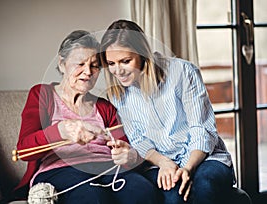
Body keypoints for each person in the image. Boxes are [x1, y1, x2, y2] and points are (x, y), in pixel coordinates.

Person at [13, 30, 159, 203]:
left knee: (144, 192)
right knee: (93, 198)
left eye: (95, 65)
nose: (88, 72)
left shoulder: (105, 106)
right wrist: (61, 131)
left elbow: (124, 146)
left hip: (108, 169)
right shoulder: (42, 94)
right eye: (80, 64)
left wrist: (127, 155)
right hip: (60, 169)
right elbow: (23, 151)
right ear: (62, 64)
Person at [100, 19, 235, 204]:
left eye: (125, 61)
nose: (118, 71)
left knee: (204, 185)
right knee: (173, 195)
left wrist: (187, 168)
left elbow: (202, 128)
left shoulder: (182, 72)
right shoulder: (117, 95)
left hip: (204, 157)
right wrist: (164, 163)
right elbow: (138, 140)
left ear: (142, 54)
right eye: (111, 63)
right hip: (160, 163)